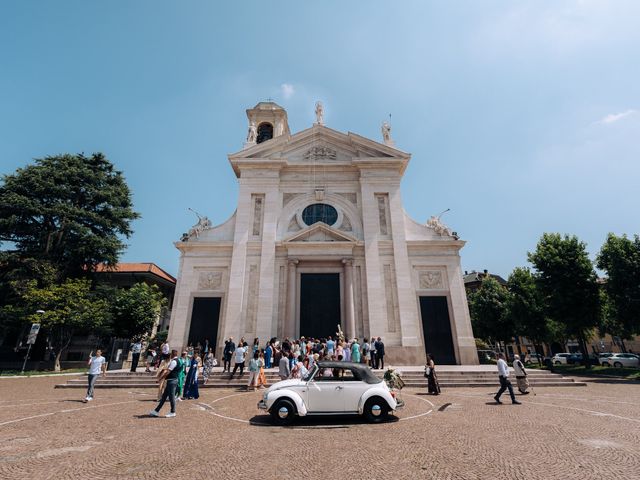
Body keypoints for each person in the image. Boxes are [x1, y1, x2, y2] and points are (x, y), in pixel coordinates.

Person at [149, 350, 180, 418]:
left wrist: (160, 378)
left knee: (171, 397)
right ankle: (156, 411)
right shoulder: (176, 360)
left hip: (172, 381)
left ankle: (173, 411)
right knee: (164, 397)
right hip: (171, 380)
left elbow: (168, 372)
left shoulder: (174, 361)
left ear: (172, 354)